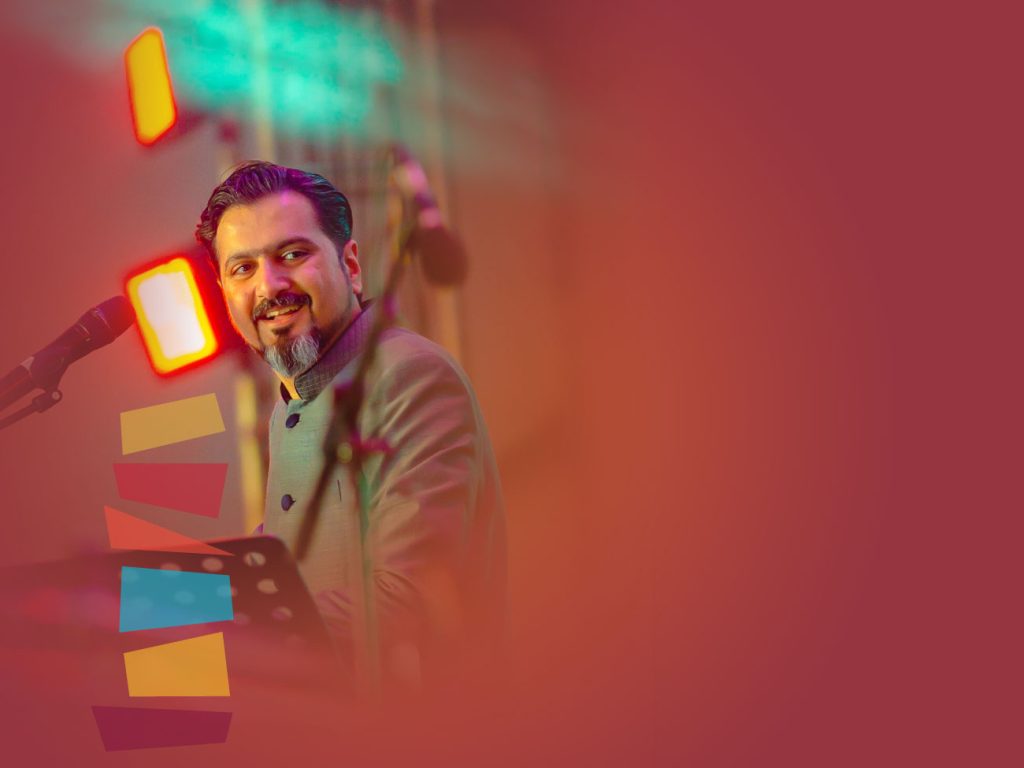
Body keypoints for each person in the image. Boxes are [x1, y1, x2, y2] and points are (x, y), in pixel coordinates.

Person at [195, 161, 506, 693]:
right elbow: (290, 573)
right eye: (243, 268)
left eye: (293, 255)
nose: (270, 286)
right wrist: (140, 604)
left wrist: (222, 635)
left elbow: (407, 597)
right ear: (224, 291)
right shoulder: (294, 401)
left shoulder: (407, 374)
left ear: (352, 266)